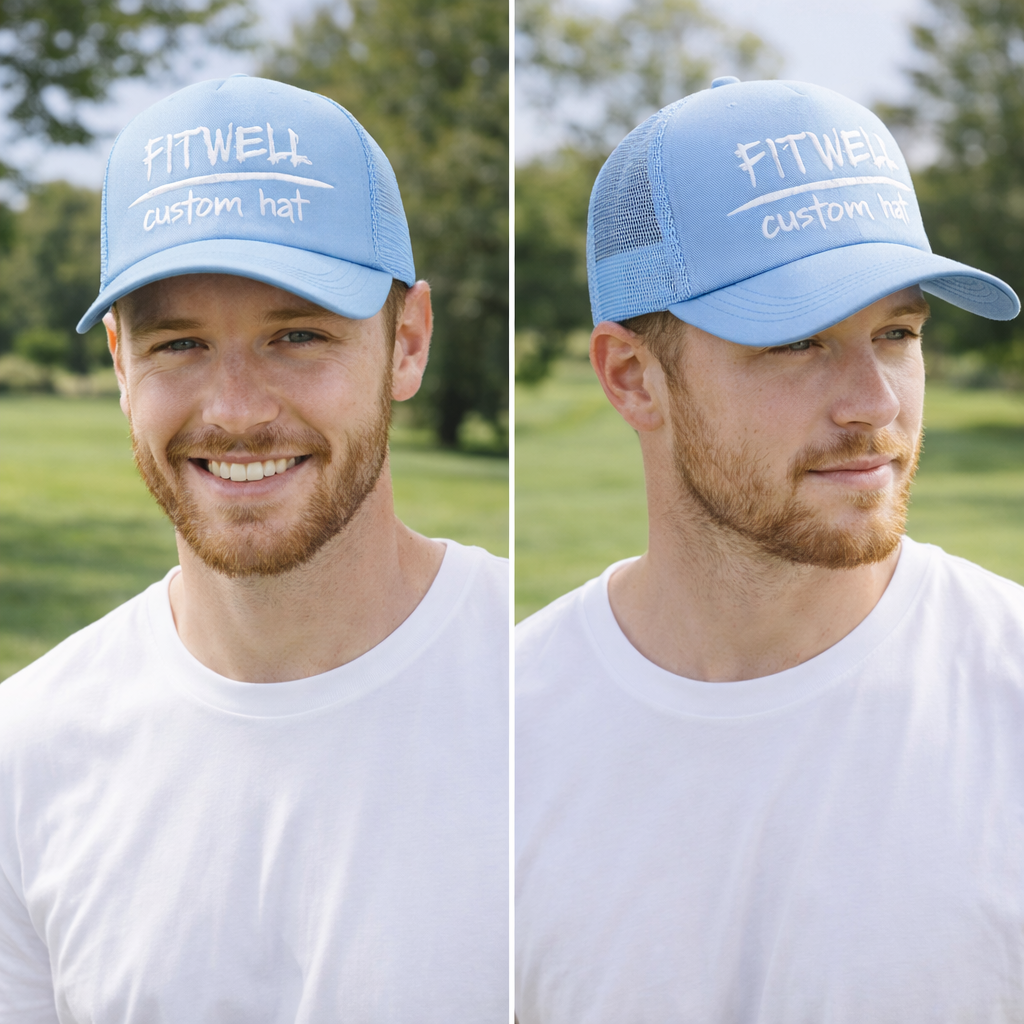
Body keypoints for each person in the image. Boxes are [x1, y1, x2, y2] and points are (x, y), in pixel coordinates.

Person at [516, 77, 1024, 1023]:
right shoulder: (498, 741)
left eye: (898, 333)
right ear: (632, 377)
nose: (875, 403)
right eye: (796, 340)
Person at [0, 75, 507, 1021]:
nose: (235, 411)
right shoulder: (26, 755)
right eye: (179, 345)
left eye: (297, 335)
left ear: (408, 343)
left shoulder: (547, 695)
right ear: (120, 362)